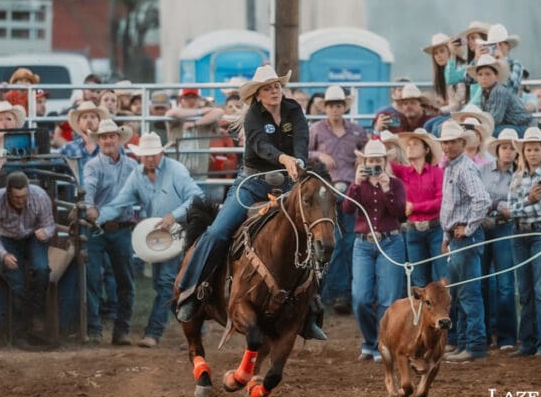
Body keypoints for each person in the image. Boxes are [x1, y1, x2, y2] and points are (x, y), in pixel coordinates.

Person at [174, 65, 325, 341]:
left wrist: (299, 160)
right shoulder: (254, 116)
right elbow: (259, 146)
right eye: (268, 88)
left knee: (315, 232)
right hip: (252, 182)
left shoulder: (293, 110)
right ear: (257, 95)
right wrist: (286, 160)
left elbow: (302, 138)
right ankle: (191, 290)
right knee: (219, 231)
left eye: (276, 86)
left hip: (289, 181)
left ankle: (310, 307)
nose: (274, 91)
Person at [98, 133, 203, 347]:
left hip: (181, 230)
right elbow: (120, 202)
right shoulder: (137, 175)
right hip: (159, 235)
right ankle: (195, 328)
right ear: (140, 156)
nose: (149, 159)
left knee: (165, 281)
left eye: (153, 155)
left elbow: (196, 196)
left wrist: (174, 215)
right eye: (145, 155)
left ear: (161, 153)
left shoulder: (176, 170)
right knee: (168, 283)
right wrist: (97, 218)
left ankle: (153, 333)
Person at [342, 138, 406, 361]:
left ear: (385, 160)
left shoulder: (396, 184)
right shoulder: (358, 184)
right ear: (364, 161)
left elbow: (399, 212)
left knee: (388, 298)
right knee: (360, 297)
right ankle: (371, 340)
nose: (374, 164)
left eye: (378, 160)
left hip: (390, 241)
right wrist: (356, 184)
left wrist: (387, 188)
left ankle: (383, 343)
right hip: (363, 243)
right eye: (370, 160)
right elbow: (347, 209)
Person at [432, 120, 490, 363]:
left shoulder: (464, 168)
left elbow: (483, 200)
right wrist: (448, 236)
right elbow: (452, 206)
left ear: (462, 143)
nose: (447, 146)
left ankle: (474, 344)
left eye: (452, 141)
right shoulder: (452, 167)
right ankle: (466, 342)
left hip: (466, 239)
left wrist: (468, 227)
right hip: (457, 238)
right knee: (461, 293)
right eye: (444, 142)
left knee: (468, 293)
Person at [308, 85, 369, 315]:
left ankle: (343, 292)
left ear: (344, 107)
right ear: (325, 108)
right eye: (331, 105)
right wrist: (319, 155)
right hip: (327, 191)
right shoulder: (316, 130)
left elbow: (367, 151)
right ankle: (335, 292)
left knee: (350, 239)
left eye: (338, 105)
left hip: (351, 190)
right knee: (332, 240)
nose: (335, 109)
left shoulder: (356, 131)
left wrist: (361, 164)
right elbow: (303, 152)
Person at [82, 119, 139, 345]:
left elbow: (142, 191)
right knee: (93, 279)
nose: (107, 140)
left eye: (111, 136)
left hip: (122, 227)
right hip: (97, 229)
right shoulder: (92, 166)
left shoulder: (133, 167)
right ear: (99, 141)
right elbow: (88, 189)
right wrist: (89, 208)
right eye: (103, 137)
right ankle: (94, 330)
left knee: (125, 280)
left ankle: (121, 329)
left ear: (118, 139)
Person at [0, 172, 56, 350]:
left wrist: (45, 233)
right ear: (8, 192)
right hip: (7, 239)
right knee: (17, 284)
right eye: (17, 197)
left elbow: (50, 224)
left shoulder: (39, 196)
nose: (21, 201)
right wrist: (3, 255)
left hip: (33, 236)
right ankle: (20, 333)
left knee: (41, 270)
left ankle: (35, 320)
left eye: (24, 196)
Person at [506, 127, 541, 357]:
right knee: (525, 290)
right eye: (529, 149)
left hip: (540, 233)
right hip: (520, 234)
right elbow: (511, 210)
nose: (532, 153)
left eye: (536, 149)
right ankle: (528, 341)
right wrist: (527, 200)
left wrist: (519, 207)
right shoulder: (517, 177)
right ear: (524, 152)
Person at [480, 129, 519, 351]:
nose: (508, 151)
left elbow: (515, 207)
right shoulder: (481, 170)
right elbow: (478, 198)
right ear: (497, 150)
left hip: (505, 228)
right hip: (483, 227)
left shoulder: (519, 175)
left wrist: (492, 205)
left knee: (505, 283)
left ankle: (506, 336)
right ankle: (484, 333)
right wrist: (497, 205)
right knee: (482, 281)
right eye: (504, 147)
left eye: (512, 147)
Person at [391, 129, 445, 288]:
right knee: (419, 281)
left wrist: (414, 207)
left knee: (442, 278)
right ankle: (422, 313)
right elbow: (382, 160)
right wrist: (379, 132)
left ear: (426, 150)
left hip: (436, 229)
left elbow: (441, 201)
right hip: (413, 231)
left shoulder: (437, 172)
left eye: (415, 144)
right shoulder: (404, 172)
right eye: (408, 145)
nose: (410, 147)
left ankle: (447, 312)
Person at [164, 88, 224, 185]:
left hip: (200, 175)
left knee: (197, 199)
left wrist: (195, 123)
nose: (191, 101)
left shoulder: (206, 118)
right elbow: (171, 113)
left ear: (199, 100)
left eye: (194, 97)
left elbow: (219, 112)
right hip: (176, 175)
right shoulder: (176, 117)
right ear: (180, 100)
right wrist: (201, 111)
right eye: (187, 98)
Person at [425, 32, 468, 113]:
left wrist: (440, 110)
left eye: (442, 51)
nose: (439, 56)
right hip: (453, 111)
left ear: (450, 51)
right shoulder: (443, 73)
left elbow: (458, 103)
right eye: (435, 53)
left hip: (463, 112)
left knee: (434, 124)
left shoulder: (460, 69)